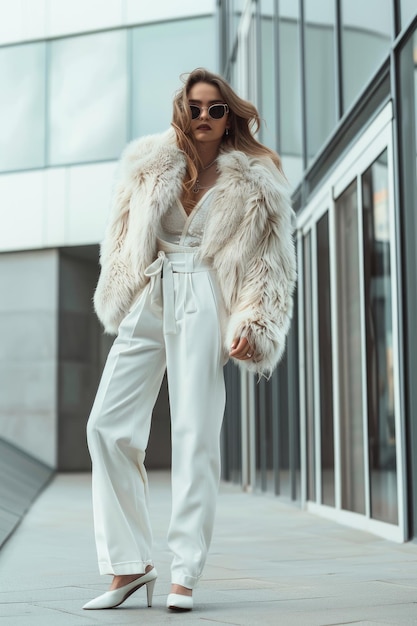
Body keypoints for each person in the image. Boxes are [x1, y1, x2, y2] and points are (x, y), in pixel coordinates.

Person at [83, 67, 296, 613]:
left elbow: (269, 265)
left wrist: (254, 324)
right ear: (183, 109)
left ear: (230, 117)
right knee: (106, 425)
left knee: (195, 434)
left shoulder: (257, 177)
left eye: (215, 109)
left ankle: (185, 572)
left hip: (206, 292)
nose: (204, 117)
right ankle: (130, 564)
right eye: (195, 107)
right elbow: (121, 231)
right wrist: (118, 286)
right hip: (153, 290)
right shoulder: (151, 163)